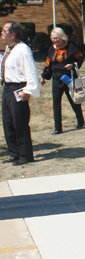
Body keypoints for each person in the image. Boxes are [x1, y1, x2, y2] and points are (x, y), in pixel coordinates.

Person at [1, 20, 40, 166]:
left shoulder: (23, 49)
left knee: (20, 122)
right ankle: (14, 153)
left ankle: (25, 155)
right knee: (8, 122)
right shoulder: (9, 48)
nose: (2, 33)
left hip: (18, 88)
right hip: (7, 88)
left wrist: (28, 90)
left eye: (4, 31)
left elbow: (30, 70)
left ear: (13, 34)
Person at [40, 27, 85, 134]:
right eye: (53, 38)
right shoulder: (52, 49)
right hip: (56, 78)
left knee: (74, 100)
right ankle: (58, 128)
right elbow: (48, 63)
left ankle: (80, 121)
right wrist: (44, 76)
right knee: (56, 103)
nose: (55, 40)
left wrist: (73, 65)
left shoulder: (71, 47)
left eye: (57, 38)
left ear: (62, 37)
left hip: (69, 78)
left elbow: (80, 58)